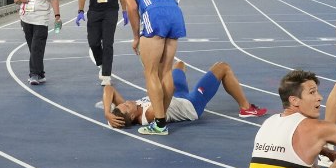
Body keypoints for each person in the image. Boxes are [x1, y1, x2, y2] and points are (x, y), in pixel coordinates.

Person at [117, 0, 187, 135]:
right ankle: (160, 117)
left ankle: (160, 124)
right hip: (176, 14)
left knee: (150, 72)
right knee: (166, 71)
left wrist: (135, 37)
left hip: (155, 14)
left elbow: (132, 7)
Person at [102, 59, 266, 127]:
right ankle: (246, 108)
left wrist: (107, 113)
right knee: (222, 67)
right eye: (126, 106)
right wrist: (156, 74)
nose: (126, 102)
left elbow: (109, 89)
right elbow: (167, 91)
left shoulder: (129, 110)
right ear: (131, 117)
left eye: (123, 103)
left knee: (179, 64)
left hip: (178, 96)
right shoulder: (149, 115)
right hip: (191, 105)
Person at [14, 0, 61, 85]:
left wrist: (57, 15)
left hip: (41, 19)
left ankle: (34, 74)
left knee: (36, 47)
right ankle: (40, 73)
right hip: (25, 18)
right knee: (34, 48)